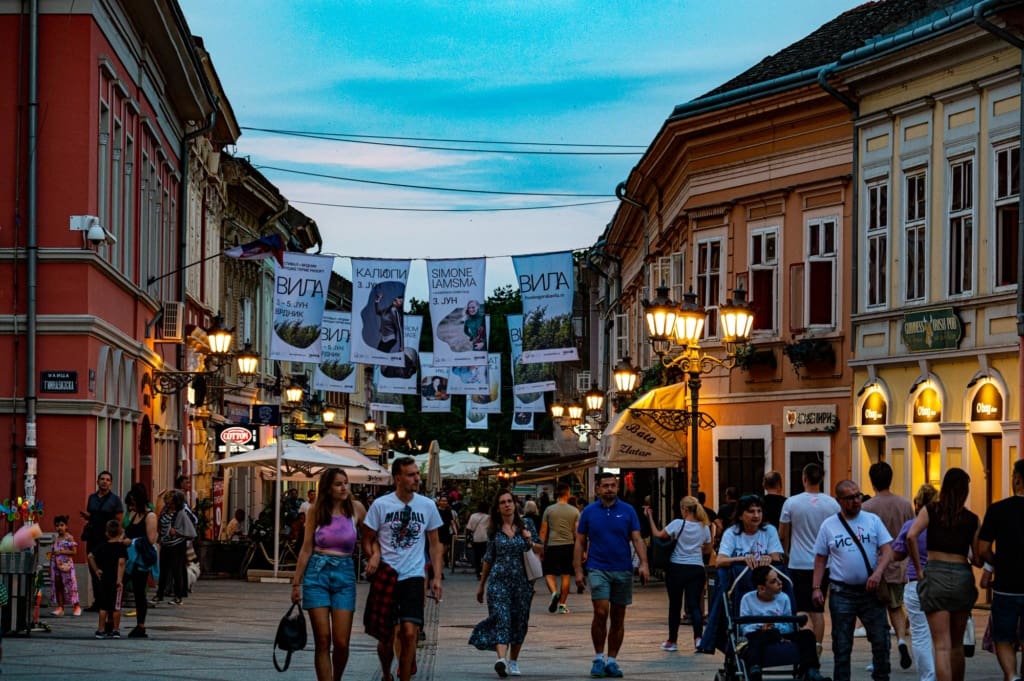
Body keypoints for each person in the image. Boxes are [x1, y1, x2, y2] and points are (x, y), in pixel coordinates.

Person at [362, 456, 444, 681]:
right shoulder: (381, 505)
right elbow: (367, 538)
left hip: (414, 576)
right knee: (386, 637)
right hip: (387, 574)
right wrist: (374, 556)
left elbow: (436, 544)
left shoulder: (427, 505)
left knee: (409, 633)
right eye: (411, 475)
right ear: (398, 478)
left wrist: (436, 577)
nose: (417, 478)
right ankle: (387, 672)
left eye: (417, 474)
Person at [812, 479, 893, 681]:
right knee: (842, 645)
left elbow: (887, 550)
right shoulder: (829, 526)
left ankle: (881, 677)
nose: (856, 501)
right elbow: (820, 559)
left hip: (870, 591)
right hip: (842, 592)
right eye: (850, 498)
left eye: (858, 496)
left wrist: (878, 573)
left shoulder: (872, 520)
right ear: (839, 500)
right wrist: (816, 587)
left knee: (881, 641)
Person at [292, 468, 367, 681]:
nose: (344, 487)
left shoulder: (357, 509)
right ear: (327, 488)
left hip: (344, 573)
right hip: (317, 573)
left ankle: (337, 678)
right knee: (323, 639)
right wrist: (296, 583)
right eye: (338, 484)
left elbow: (373, 537)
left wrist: (375, 556)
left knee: (341, 642)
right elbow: (306, 548)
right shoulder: (316, 510)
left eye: (346, 483)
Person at [907, 468, 980, 681]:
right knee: (957, 644)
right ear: (965, 491)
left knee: (941, 646)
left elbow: (911, 536)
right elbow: (976, 558)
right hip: (961, 576)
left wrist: (919, 570)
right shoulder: (972, 519)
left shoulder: (931, 510)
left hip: (935, 573)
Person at [574, 471, 649, 678]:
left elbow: (637, 538)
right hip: (597, 567)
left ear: (617, 488)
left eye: (612, 485)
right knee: (600, 612)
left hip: (622, 569)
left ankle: (612, 660)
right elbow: (580, 541)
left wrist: (644, 563)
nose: (609, 489)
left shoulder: (628, 511)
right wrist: (578, 571)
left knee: (618, 617)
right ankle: (598, 657)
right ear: (598, 489)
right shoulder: (589, 512)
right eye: (605, 486)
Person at [469, 489, 542, 677]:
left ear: (515, 504)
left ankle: (514, 661)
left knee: (519, 621)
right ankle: (500, 659)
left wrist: (529, 540)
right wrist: (481, 585)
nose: (507, 504)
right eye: (503, 502)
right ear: (498, 508)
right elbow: (488, 558)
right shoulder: (493, 530)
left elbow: (542, 548)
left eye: (510, 501)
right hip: (498, 581)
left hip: (522, 582)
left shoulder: (528, 524)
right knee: (502, 618)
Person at [780, 462, 841, 649]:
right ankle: (818, 645)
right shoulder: (833, 504)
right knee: (818, 609)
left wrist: (786, 554)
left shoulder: (791, 502)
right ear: (822, 478)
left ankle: (805, 645)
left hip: (798, 562)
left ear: (804, 478)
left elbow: (783, 534)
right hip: (824, 564)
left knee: (801, 607)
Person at [863, 461, 915, 670]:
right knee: (896, 606)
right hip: (899, 565)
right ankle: (901, 639)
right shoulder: (904, 505)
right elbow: (912, 533)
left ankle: (879, 656)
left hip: (875, 567)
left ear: (872, 481)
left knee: (876, 613)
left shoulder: (867, 507)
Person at [645, 495, 712, 651]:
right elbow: (708, 549)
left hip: (676, 568)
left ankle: (672, 641)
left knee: (675, 606)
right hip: (696, 568)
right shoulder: (704, 527)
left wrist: (650, 517)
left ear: (685, 509)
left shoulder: (677, 524)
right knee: (694, 605)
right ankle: (698, 638)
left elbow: (658, 535)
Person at [978, 458, 1024, 681]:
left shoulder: (998, 509)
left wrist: (996, 562)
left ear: (1017, 480)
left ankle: (1011, 675)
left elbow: (983, 548)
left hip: (1006, 586)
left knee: (1003, 637)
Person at [740, 565, 828, 681]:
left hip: (780, 633)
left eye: (778, 578)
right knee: (755, 638)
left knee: (807, 635)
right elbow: (744, 626)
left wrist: (775, 626)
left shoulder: (783, 598)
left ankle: (810, 669)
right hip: (759, 634)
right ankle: (755, 668)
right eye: (773, 581)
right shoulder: (747, 599)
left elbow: (789, 625)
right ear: (761, 588)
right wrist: (761, 627)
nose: (780, 582)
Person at [891, 483, 939, 681]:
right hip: (941, 581)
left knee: (920, 634)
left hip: (915, 582)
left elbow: (897, 553)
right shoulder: (943, 525)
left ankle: (928, 677)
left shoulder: (910, 526)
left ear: (917, 504)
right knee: (943, 636)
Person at [81, 471, 123, 611]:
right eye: (102, 479)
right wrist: (87, 517)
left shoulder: (115, 500)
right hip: (93, 537)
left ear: (111, 483)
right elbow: (92, 515)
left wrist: (118, 537)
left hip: (107, 539)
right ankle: (97, 601)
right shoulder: (92, 498)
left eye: (108, 480)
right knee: (93, 569)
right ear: (98, 481)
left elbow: (119, 520)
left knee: (107, 569)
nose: (105, 482)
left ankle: (106, 600)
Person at [122, 483, 158, 638]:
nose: (131, 507)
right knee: (118, 586)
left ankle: (141, 626)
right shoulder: (133, 515)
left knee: (139, 592)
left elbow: (150, 539)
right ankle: (111, 621)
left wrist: (132, 542)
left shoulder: (150, 516)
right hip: (128, 559)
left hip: (140, 560)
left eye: (133, 503)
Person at [540, 482, 580, 615]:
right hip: (568, 546)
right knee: (566, 575)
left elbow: (543, 531)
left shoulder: (549, 510)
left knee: (548, 573)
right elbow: (577, 533)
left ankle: (554, 592)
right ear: (568, 493)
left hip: (552, 545)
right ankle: (562, 605)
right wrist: (581, 550)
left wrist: (541, 548)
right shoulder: (575, 511)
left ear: (557, 493)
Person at [716, 494, 785, 569]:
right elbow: (719, 561)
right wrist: (743, 559)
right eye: (751, 511)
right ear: (740, 516)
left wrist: (768, 558)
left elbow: (776, 559)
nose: (756, 515)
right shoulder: (731, 532)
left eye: (759, 511)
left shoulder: (770, 530)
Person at [87, 519, 127, 638]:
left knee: (103, 606)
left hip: (104, 579)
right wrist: (119, 580)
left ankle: (101, 629)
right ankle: (115, 630)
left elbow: (90, 556)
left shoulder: (102, 546)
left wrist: (97, 570)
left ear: (107, 533)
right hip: (115, 580)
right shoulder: (121, 548)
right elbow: (121, 563)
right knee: (116, 607)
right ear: (120, 533)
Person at [154, 491, 190, 606]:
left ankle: (178, 596)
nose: (169, 505)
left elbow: (190, 527)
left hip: (177, 545)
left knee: (176, 570)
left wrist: (178, 532)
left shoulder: (181, 513)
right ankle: (160, 594)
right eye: (168, 502)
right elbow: (160, 523)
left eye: (171, 503)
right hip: (165, 543)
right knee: (163, 569)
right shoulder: (165, 511)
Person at [49, 515, 82, 617]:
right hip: (56, 566)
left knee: (71, 586)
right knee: (58, 586)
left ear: (66, 526)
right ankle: (60, 607)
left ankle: (76, 606)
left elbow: (74, 551)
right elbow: (53, 552)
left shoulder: (69, 537)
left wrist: (63, 551)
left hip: (67, 566)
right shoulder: (56, 538)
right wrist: (51, 567)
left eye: (62, 525)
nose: (59, 528)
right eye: (57, 525)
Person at [467, 501, 491, 579]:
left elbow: (469, 528)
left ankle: (478, 572)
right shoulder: (488, 517)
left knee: (477, 556)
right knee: (485, 556)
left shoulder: (473, 516)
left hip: (475, 538)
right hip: (485, 538)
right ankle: (483, 572)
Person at [436, 496, 458, 569]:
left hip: (446, 533)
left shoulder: (448, 512)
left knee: (443, 552)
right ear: (439, 502)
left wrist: (455, 532)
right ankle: (439, 570)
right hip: (437, 533)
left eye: (445, 501)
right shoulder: (436, 511)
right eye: (442, 501)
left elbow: (452, 522)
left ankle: (439, 568)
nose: (444, 502)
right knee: (439, 552)